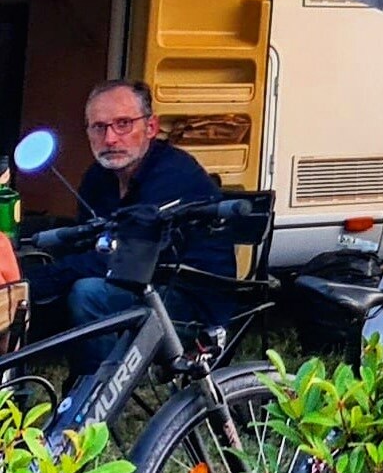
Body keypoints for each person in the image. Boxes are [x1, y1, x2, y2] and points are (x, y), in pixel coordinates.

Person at [23, 81, 236, 361]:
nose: (110, 139)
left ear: (150, 127)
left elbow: (127, 258)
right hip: (138, 286)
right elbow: (90, 246)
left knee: (88, 294)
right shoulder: (98, 178)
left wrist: (40, 281)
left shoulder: (173, 174)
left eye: (123, 124)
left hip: (186, 301)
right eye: (99, 127)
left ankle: (97, 394)